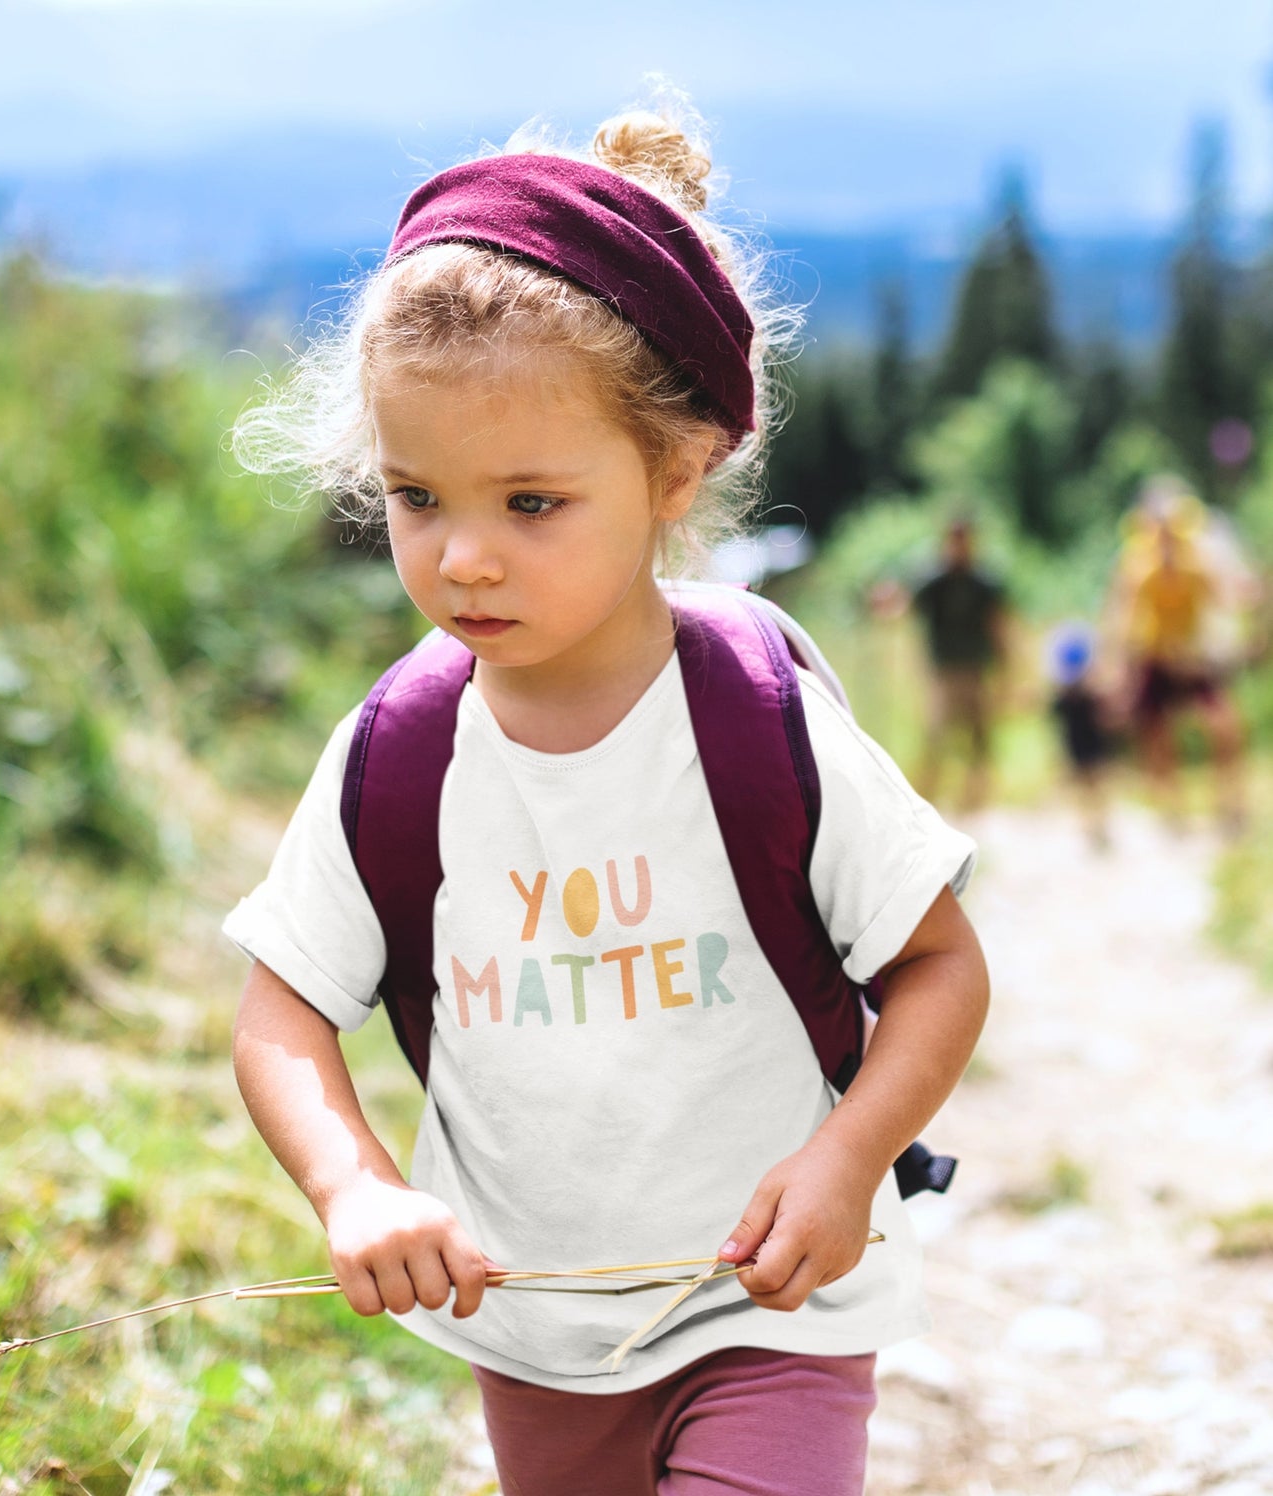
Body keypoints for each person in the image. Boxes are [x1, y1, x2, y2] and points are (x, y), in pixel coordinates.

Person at [224, 103, 990, 1496]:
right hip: (535, 1331)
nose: (462, 558)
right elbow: (282, 1010)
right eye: (414, 496)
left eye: (530, 503)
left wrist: (845, 1159)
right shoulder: (397, 752)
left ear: (674, 472)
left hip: (777, 1308)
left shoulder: (759, 719)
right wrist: (354, 1184)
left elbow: (938, 967)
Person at [1109, 482, 1247, 832]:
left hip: (1192, 656)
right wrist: (1122, 670)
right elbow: (1125, 617)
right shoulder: (1139, 568)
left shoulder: (1197, 566)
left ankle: (1228, 802)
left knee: (1224, 725)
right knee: (1156, 734)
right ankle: (1172, 807)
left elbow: (1224, 602)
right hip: (1155, 656)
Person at [911, 518, 1007, 810]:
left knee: (979, 737)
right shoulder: (933, 581)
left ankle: (974, 801)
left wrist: (1005, 668)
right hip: (943, 672)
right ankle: (926, 798)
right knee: (937, 736)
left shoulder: (983, 582)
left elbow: (997, 625)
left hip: (975, 669)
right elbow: (909, 610)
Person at [1047, 624, 1115, 850]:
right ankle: (1089, 823)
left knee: (1096, 784)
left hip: (1092, 746)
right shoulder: (1065, 699)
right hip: (1077, 747)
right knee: (1084, 786)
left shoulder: (1091, 697)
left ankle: (1098, 823)